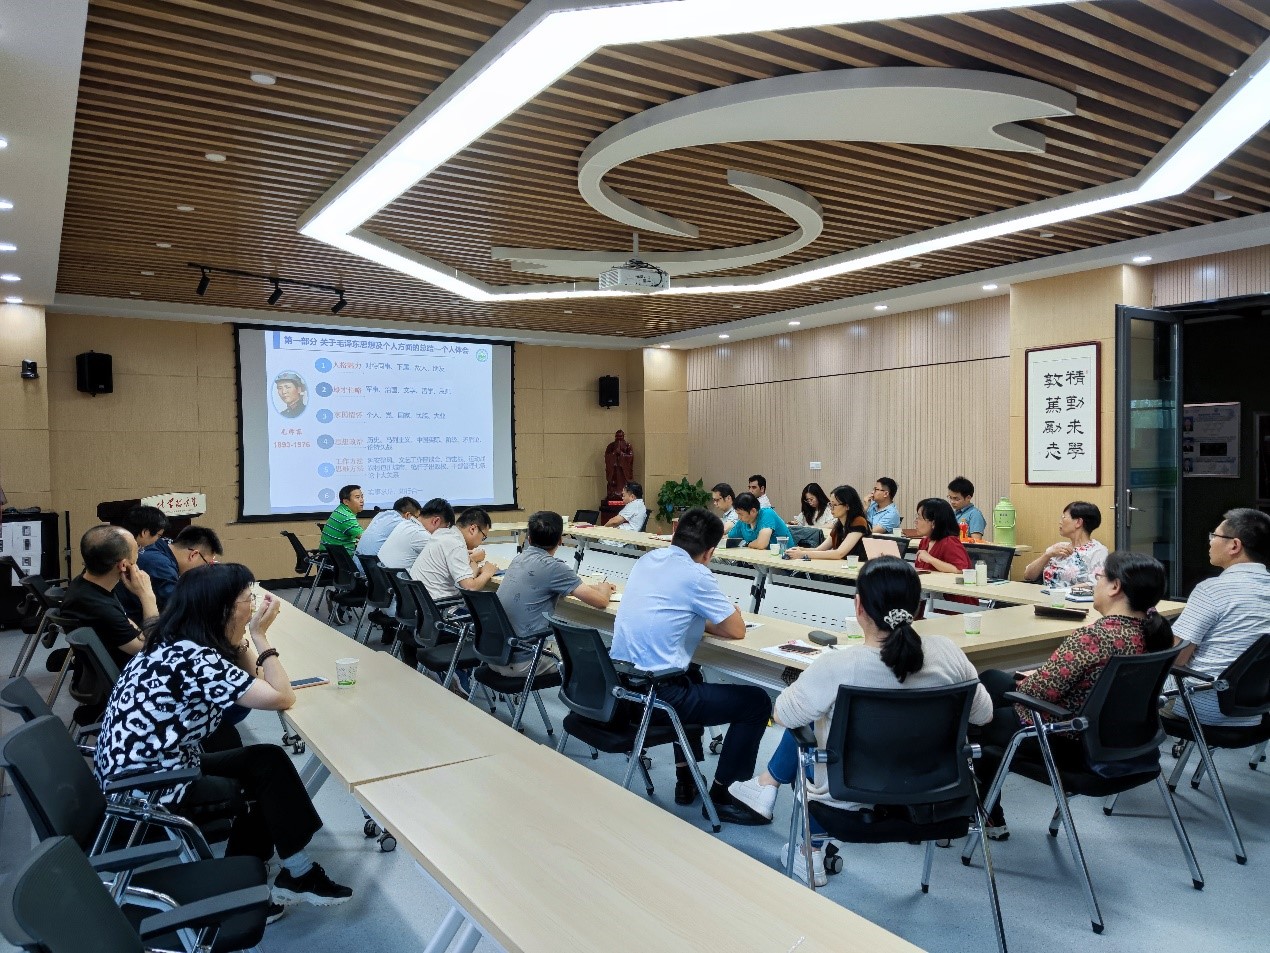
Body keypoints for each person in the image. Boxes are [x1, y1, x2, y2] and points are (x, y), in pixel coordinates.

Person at [93, 564, 352, 908]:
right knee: (260, 785)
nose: (254, 606)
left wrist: (241, 634)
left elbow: (253, 677)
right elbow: (281, 695)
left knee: (267, 760)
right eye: (249, 600)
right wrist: (260, 636)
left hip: (144, 769)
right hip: (152, 788)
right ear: (223, 609)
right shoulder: (196, 659)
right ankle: (255, 887)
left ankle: (284, 870)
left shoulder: (173, 641)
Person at [727, 557, 992, 883]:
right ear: (917, 606)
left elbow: (783, 714)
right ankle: (769, 792)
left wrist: (807, 686)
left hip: (849, 796)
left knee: (813, 729)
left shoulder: (839, 666)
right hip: (935, 797)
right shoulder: (948, 653)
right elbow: (984, 714)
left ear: (858, 606)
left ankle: (807, 849)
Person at [974, 551, 1175, 839]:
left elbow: (1036, 691)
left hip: (1071, 740)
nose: (1095, 580)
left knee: (977, 711)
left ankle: (981, 811)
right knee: (992, 679)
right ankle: (988, 813)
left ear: (1115, 587)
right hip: (1126, 740)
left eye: (1100, 576)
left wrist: (1032, 677)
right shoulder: (1153, 634)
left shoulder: (1095, 638)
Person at [610, 507, 771, 824]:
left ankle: (686, 779)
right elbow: (737, 629)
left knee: (692, 674)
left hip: (622, 689)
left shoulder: (647, 560)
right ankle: (725, 795)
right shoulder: (697, 575)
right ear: (710, 552)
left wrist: (698, 617)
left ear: (675, 534)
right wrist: (718, 617)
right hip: (659, 699)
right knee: (757, 703)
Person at [1170, 508, 1270, 726]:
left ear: (1234, 545)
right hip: (1256, 711)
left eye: (1214, 536)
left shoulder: (1212, 590)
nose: (1210, 542)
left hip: (1203, 705)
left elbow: (1176, 658)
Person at [494, 510, 615, 677]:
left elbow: (562, 585)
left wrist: (592, 587)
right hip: (525, 661)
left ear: (529, 539)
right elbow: (601, 601)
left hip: (496, 656)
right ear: (560, 540)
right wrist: (605, 589)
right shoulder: (555, 567)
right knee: (590, 657)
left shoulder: (519, 559)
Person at [61, 525, 157, 672]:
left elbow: (128, 624)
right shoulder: (100, 607)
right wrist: (147, 596)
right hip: (126, 676)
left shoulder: (83, 583)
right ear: (123, 565)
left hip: (98, 670)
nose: (139, 553)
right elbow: (153, 649)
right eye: (137, 550)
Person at [410, 506, 497, 602]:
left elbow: (466, 577)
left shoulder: (444, 533)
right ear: (473, 529)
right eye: (483, 537)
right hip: (441, 606)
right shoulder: (456, 544)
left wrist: (473, 563)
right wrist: (487, 573)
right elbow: (470, 587)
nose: (481, 542)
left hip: (424, 603)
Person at [1021, 501, 1107, 586]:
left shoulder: (1098, 551)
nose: (1060, 522)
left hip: (1073, 595)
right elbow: (1028, 576)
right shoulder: (1059, 547)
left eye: (1064, 517)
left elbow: (1096, 584)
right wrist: (1047, 555)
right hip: (1043, 594)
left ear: (1078, 522)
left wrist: (1062, 591)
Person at [786, 484, 868, 561]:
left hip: (858, 568)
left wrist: (802, 554)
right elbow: (819, 549)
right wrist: (799, 549)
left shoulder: (859, 521)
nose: (831, 508)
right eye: (830, 504)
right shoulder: (839, 525)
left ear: (847, 506)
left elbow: (839, 553)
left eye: (834, 505)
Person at [378, 497, 450, 571]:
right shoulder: (420, 534)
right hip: (397, 577)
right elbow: (448, 558)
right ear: (436, 521)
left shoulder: (404, 524)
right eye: (444, 529)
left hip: (385, 576)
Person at [912, 498, 973, 574]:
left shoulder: (949, 542)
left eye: (919, 518)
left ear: (933, 523)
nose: (915, 521)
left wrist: (931, 559)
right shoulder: (924, 542)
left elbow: (961, 570)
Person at [356, 496, 420, 559]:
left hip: (358, 563)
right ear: (408, 515)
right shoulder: (402, 523)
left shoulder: (380, 515)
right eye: (416, 518)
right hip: (375, 564)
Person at [727, 492, 793, 551]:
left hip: (783, 557)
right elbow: (729, 537)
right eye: (737, 514)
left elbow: (761, 544)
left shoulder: (767, 514)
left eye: (741, 514)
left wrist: (748, 544)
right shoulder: (743, 522)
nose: (739, 518)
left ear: (753, 511)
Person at [320, 484, 364, 555]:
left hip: (330, 556)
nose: (362, 500)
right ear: (346, 502)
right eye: (357, 497)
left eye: (362, 497)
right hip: (340, 558)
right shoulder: (346, 516)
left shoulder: (340, 510)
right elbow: (365, 538)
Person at [947, 477, 986, 541]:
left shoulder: (975, 514)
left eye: (956, 499)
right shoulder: (954, 513)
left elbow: (976, 541)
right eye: (950, 498)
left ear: (968, 498)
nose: (952, 502)